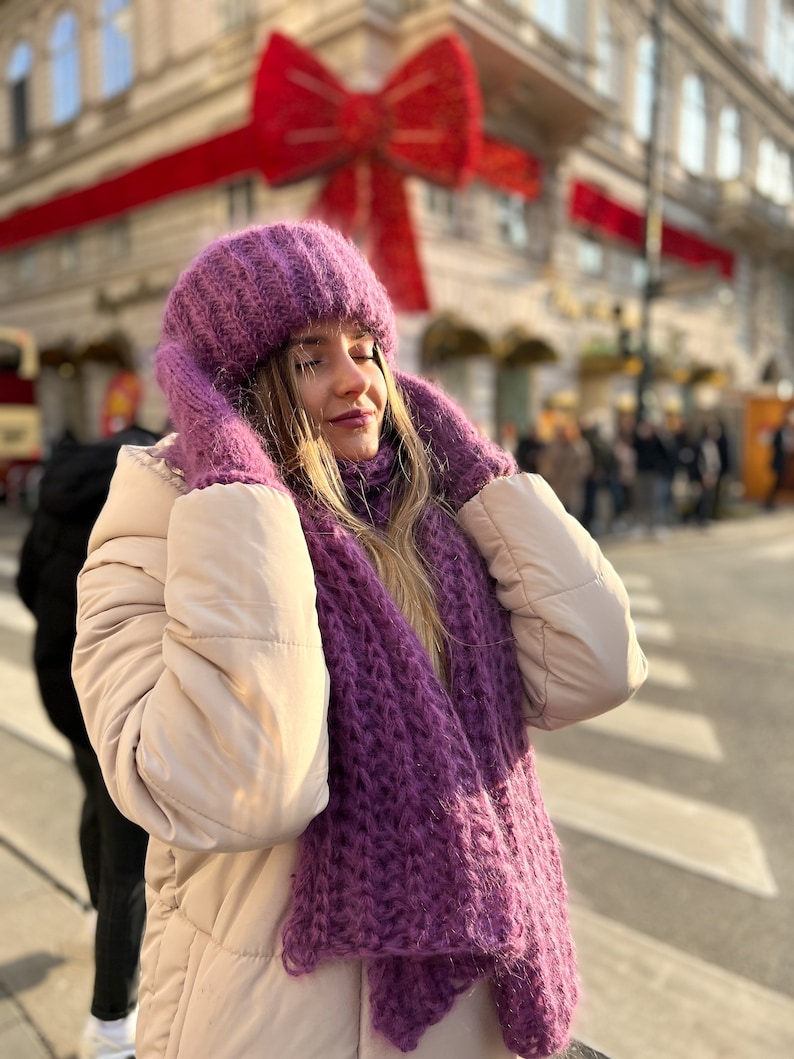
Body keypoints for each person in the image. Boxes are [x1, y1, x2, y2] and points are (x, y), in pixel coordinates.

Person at [71, 221, 647, 1059]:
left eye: (367, 347)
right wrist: (237, 486)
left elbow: (596, 665)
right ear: (234, 389)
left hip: (470, 1009)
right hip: (271, 1018)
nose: (359, 380)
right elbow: (240, 784)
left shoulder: (432, 515)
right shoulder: (159, 529)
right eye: (310, 358)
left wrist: (477, 467)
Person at [17, 425, 159, 1059]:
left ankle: (93, 910)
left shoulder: (62, 489)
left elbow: (25, 582)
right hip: (116, 699)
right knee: (131, 863)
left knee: (96, 806)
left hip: (61, 686)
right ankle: (110, 1026)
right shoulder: (150, 495)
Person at [765, 406, 794, 509]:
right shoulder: (780, 431)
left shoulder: (790, 431)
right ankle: (769, 502)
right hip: (779, 460)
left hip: (787, 460)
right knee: (776, 482)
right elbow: (776, 445)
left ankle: (771, 501)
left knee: (780, 482)